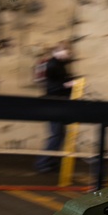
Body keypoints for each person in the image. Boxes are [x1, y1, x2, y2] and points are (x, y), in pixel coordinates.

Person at [34, 42, 76, 173]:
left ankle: (52, 162)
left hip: (59, 104)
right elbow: (52, 87)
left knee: (59, 135)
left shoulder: (60, 65)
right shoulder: (52, 65)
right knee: (56, 135)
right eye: (65, 51)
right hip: (54, 104)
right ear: (56, 52)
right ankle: (43, 163)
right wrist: (67, 85)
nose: (68, 53)